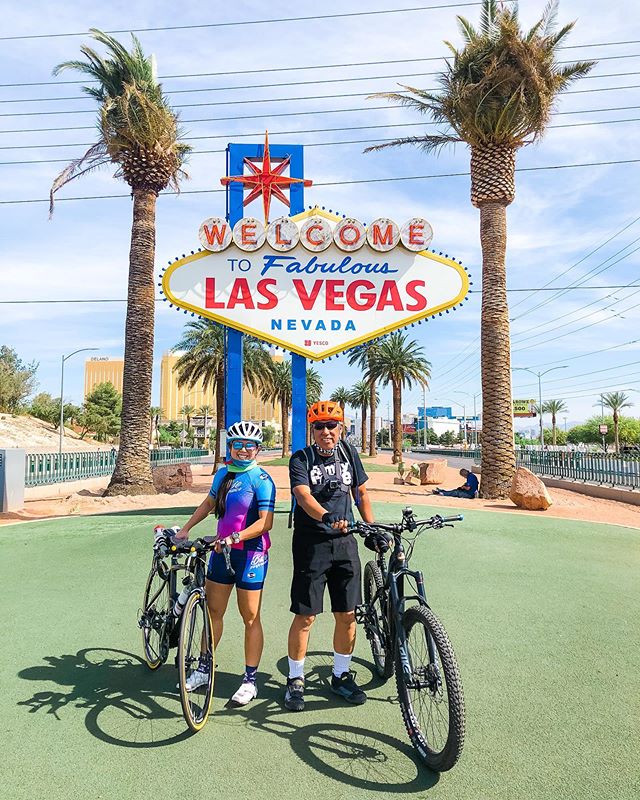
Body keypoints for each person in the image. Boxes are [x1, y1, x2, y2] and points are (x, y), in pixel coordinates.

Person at [175, 421, 275, 706]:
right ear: (230, 447)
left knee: (250, 617)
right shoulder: (223, 475)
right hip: (221, 552)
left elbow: (265, 522)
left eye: (250, 445)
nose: (244, 450)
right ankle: (205, 668)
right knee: (213, 613)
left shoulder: (261, 479)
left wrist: (236, 537)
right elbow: (208, 505)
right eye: (238, 445)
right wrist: (185, 529)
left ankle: (250, 680)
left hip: (250, 554)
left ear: (258, 449)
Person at [285, 400, 375, 712]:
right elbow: (303, 496)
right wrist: (325, 517)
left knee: (347, 613)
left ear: (341, 428)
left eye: (331, 425)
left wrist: (371, 526)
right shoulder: (301, 458)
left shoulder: (349, 453)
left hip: (346, 542)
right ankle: (295, 679)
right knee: (306, 615)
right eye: (319, 426)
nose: (326, 431)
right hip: (312, 543)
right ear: (312, 431)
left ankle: (340, 675)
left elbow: (361, 493)